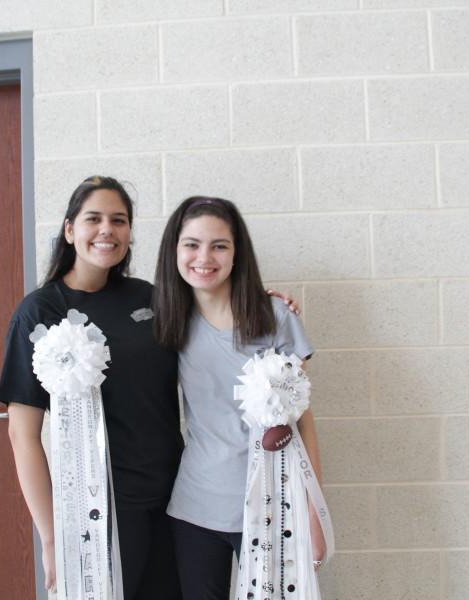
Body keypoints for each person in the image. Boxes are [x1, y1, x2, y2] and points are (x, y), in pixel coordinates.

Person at [0, 176, 183, 599]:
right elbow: (21, 434)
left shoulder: (150, 297)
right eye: (93, 218)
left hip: (174, 498)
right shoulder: (40, 310)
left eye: (119, 220)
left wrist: (265, 307)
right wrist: (50, 536)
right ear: (69, 230)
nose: (107, 230)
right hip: (102, 510)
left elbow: (214, 322)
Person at [152, 196, 326, 600]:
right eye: (192, 244)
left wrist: (315, 514)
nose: (204, 257)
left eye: (219, 246)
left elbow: (302, 422)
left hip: (273, 506)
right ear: (174, 250)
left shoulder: (276, 317)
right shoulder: (167, 321)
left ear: (237, 253)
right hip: (196, 508)